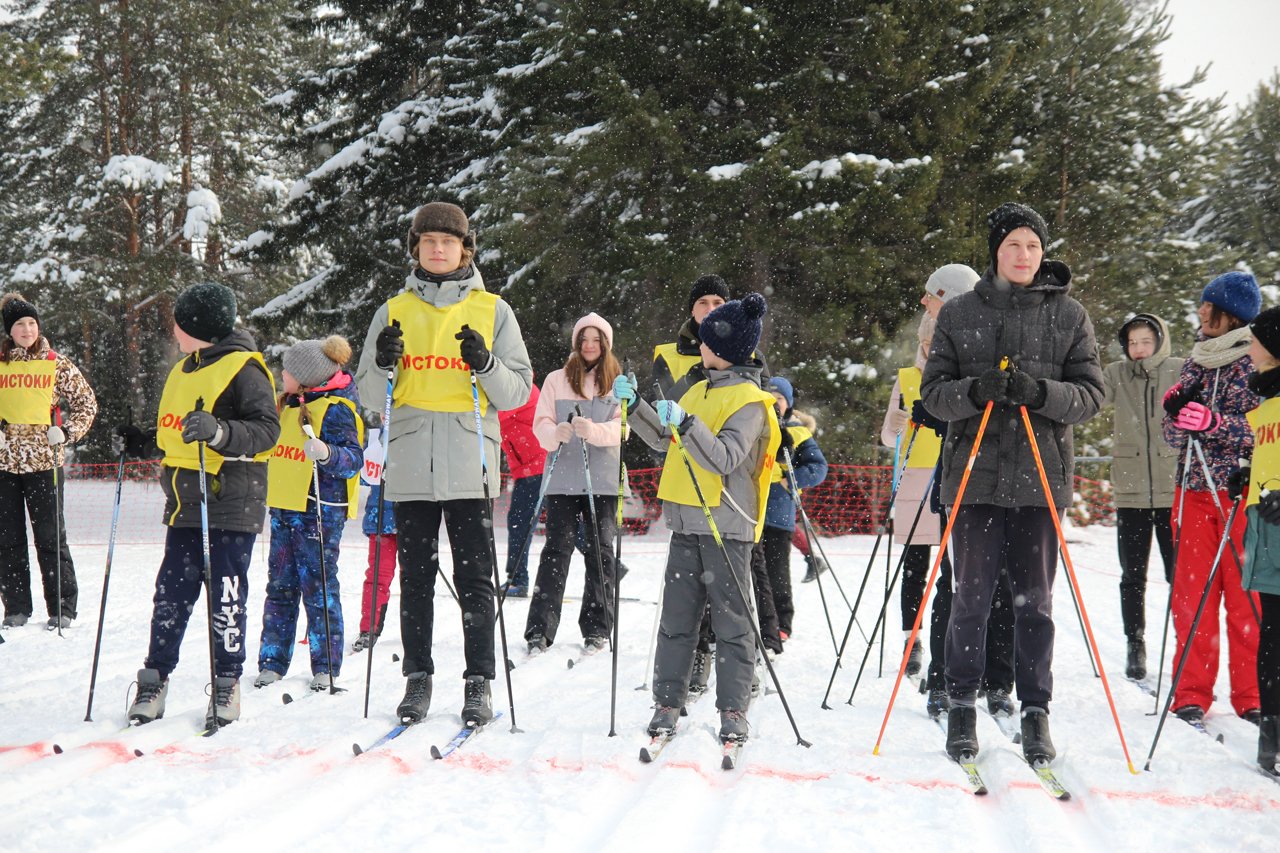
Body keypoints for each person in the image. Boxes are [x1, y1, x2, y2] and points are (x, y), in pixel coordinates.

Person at [921, 203, 1104, 765]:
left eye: (1032, 245)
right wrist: (977, 391)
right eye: (1013, 246)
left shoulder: (1069, 316)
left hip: (1039, 483)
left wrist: (1039, 392)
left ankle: (1035, 711)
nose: (1024, 256)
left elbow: (1091, 396)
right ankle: (960, 704)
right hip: (974, 479)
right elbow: (934, 396)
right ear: (995, 253)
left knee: (1036, 605)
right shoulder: (959, 314)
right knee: (969, 599)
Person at [355, 201, 532, 726]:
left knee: (476, 578)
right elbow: (367, 394)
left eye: (448, 242)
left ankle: (478, 681)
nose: (438, 249)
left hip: (469, 461)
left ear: (464, 249)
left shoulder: (493, 309)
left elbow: (517, 391)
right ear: (416, 249)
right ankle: (418, 678)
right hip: (409, 464)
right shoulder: (391, 310)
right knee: (415, 579)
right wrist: (384, 363)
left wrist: (485, 363)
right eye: (429, 241)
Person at [617, 292, 780, 745]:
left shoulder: (750, 400)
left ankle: (733, 709)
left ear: (722, 350)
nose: (699, 346)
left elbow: (725, 457)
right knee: (676, 620)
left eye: (706, 342)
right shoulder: (697, 388)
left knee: (732, 624)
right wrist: (636, 409)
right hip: (687, 522)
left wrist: (688, 424)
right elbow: (664, 441)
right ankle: (667, 701)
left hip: (727, 526)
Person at [117, 282, 280, 728]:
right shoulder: (185, 368)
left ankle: (226, 684)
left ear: (200, 328)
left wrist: (221, 432)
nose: (173, 328)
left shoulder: (245, 370)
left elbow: (267, 432)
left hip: (229, 503)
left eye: (180, 322)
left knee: (226, 600)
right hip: (185, 505)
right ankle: (154, 679)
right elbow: (179, 430)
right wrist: (145, 441)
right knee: (170, 595)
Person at [896, 265, 1016, 718]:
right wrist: (932, 414)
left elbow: (995, 404)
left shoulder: (996, 334)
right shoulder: (940, 336)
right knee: (958, 580)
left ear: (949, 295)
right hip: (956, 477)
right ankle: (946, 676)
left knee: (1001, 580)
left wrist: (943, 412)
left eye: (931, 296)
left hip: (1002, 475)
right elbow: (944, 400)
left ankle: (998, 678)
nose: (925, 304)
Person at [1161, 271, 1262, 724]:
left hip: (1242, 493)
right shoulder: (1195, 361)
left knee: (1246, 600)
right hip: (1193, 493)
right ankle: (1191, 692)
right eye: (1202, 306)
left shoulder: (1258, 361)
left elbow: (1266, 433)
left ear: (1232, 316)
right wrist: (1176, 417)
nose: (1201, 314)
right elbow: (1172, 435)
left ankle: (1253, 695)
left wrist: (1217, 424)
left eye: (1209, 308)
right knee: (1192, 597)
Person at [254, 337, 363, 691]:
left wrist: (328, 453)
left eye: (287, 370)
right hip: (284, 508)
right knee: (280, 587)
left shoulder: (337, 409)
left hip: (318, 513)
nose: (281, 374)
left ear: (306, 377)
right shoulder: (282, 405)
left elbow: (353, 460)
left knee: (318, 588)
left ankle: (326, 665)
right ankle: (272, 661)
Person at [523, 313, 624, 653]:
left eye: (596, 340)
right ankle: (540, 627)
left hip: (602, 481)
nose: (590, 346)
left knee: (600, 552)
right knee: (556, 550)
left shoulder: (616, 380)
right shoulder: (556, 379)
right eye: (584, 340)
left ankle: (597, 626)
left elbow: (623, 429)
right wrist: (556, 433)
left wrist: (593, 431)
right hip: (563, 479)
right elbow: (541, 425)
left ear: (605, 345)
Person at [0, 293, 98, 630]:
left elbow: (86, 403)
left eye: (31, 323)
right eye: (19, 324)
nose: (27, 329)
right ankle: (16, 607)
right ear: (9, 331)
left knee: (50, 537)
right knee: (7, 538)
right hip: (5, 465)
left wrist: (68, 432)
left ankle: (62, 607)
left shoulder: (57, 363)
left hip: (45, 463)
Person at [1102, 313, 1182, 680]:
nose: (1138, 349)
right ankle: (1135, 644)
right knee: (1132, 575)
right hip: (1131, 491)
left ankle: (1186, 642)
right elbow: (1089, 396)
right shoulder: (1118, 374)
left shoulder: (1180, 370)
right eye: (1132, 342)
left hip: (1173, 492)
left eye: (1145, 342)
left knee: (1179, 575)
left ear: (1160, 341)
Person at [1238, 305, 1280, 775]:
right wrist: (1247, 478)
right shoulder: (1265, 405)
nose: (1250, 350)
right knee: (1272, 636)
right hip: (1266, 531)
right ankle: (1272, 736)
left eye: (1257, 342)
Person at [762, 376, 827, 642]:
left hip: (778, 515)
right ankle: (755, 623)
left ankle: (781, 625)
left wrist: (792, 479)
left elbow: (818, 468)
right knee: (754, 574)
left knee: (777, 574)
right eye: (771, 398)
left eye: (780, 399)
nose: (775, 403)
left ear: (788, 404)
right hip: (748, 513)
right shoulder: (756, 426)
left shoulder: (798, 432)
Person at [499, 375, 547, 597]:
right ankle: (608, 566)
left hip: (535, 467)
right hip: (533, 467)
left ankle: (517, 580)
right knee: (564, 524)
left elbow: (491, 415)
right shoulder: (515, 388)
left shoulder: (521, 391)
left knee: (519, 522)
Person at [353, 422, 396, 652]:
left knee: (416, 581)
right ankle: (369, 628)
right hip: (381, 521)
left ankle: (416, 632)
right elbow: (365, 475)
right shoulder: (380, 436)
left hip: (414, 519)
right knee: (378, 576)